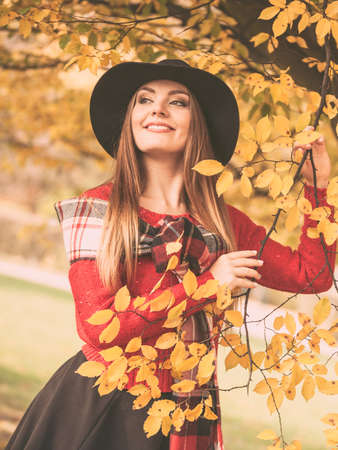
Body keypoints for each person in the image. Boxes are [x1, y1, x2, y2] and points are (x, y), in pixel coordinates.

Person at [5, 59, 335, 450]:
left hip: (188, 409)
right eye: (145, 100)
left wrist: (317, 188)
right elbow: (99, 330)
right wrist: (208, 285)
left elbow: (314, 276)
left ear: (199, 126)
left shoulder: (223, 222)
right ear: (131, 120)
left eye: (177, 102)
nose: (157, 109)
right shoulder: (98, 209)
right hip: (100, 405)